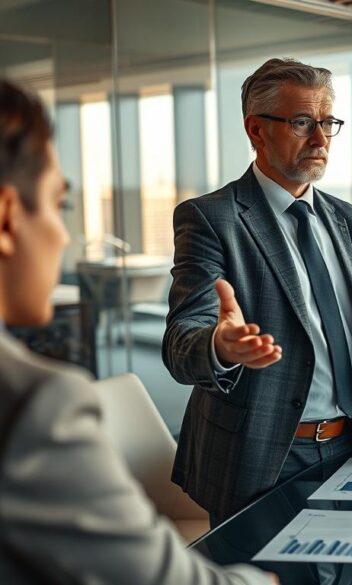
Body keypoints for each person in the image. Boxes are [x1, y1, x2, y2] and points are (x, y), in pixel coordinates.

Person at [162, 58, 352, 526]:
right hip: (264, 454)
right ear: (257, 131)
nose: (321, 139)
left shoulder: (350, 220)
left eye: (327, 123)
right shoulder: (210, 218)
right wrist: (220, 345)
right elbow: (183, 341)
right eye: (303, 122)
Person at [0, 81, 274, 584]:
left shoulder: (348, 221)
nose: (64, 236)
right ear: (7, 218)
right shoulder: (32, 406)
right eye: (61, 206)